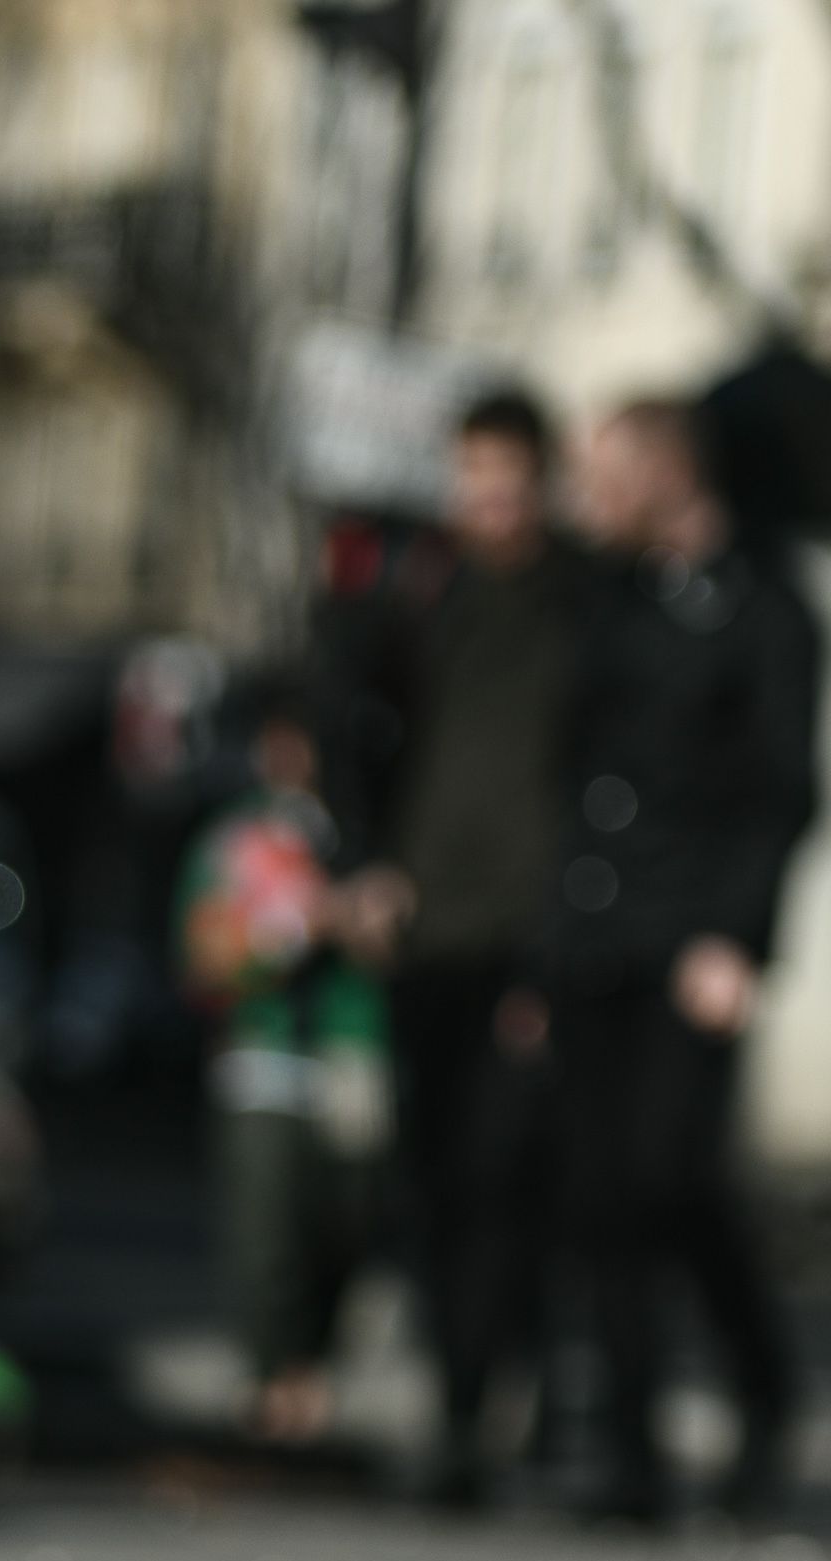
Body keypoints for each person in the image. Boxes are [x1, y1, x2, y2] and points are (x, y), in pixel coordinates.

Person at [555, 396, 822, 1519]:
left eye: (608, 476)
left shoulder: (766, 606)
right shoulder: (602, 599)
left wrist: (736, 937)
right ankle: (632, 1450)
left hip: (692, 941)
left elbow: (783, 790)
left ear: (668, 474)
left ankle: (763, 1386)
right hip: (593, 932)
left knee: (672, 1177)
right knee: (600, 1193)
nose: (589, 499)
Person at [331, 389, 590, 1505]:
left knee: (510, 1177)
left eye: (507, 478)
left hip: (530, 936)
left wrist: (567, 937)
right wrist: (365, 865)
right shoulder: (418, 592)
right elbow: (348, 725)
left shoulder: (585, 600)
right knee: (435, 1180)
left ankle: (501, 1401)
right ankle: (461, 1397)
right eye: (472, 477)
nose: (489, 501)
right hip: (427, 932)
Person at [176, 680, 391, 1446]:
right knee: (264, 1229)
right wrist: (300, 925)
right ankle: (271, 1375)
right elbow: (205, 957)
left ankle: (314, 1363)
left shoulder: (365, 833)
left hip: (349, 1046)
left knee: (348, 1217)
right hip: (263, 1049)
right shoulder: (237, 842)